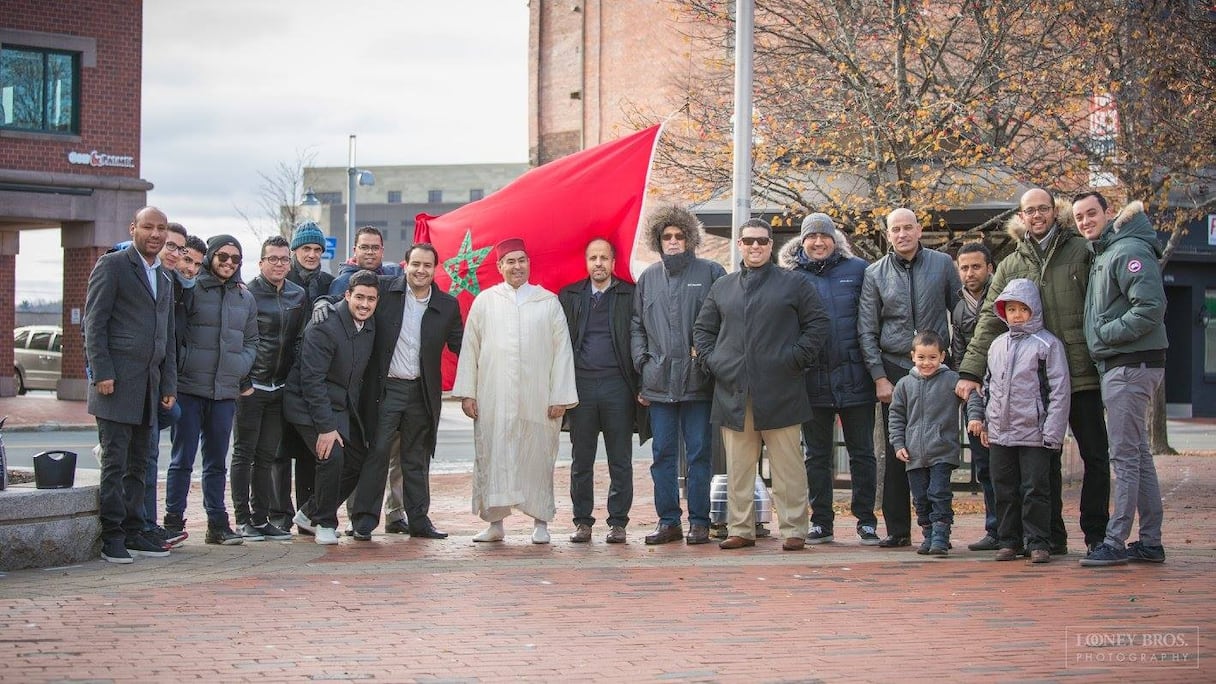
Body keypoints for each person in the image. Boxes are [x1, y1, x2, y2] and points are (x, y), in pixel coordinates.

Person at [956, 187, 1110, 556]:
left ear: (1055, 212)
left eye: (1044, 208)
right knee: (1044, 463)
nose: (1037, 215)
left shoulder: (1082, 250)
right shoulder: (1011, 263)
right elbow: (989, 321)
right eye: (1030, 210)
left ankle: (1097, 535)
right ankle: (1051, 537)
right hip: (1032, 381)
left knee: (1096, 456)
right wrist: (971, 371)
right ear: (1021, 216)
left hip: (1081, 371)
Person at [693, 219, 829, 551]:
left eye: (762, 241)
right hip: (733, 391)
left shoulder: (793, 283)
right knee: (739, 468)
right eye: (749, 241)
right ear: (739, 245)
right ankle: (741, 528)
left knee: (789, 467)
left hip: (782, 390)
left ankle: (794, 528)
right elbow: (702, 331)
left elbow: (818, 324)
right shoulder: (722, 287)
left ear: (771, 245)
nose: (756, 246)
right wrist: (716, 362)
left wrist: (794, 359)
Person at [452, 238, 578, 544]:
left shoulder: (547, 302)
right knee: (493, 456)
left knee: (537, 458)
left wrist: (560, 396)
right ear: (499, 267)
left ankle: (541, 522)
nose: (517, 266)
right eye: (510, 261)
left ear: (529, 264)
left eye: (521, 260)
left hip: (537, 398)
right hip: (493, 397)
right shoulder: (485, 301)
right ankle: (495, 524)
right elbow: (471, 348)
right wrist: (468, 392)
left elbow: (563, 351)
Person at [1074, 193, 1169, 567]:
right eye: (1079, 216)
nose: (1085, 221)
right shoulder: (1106, 252)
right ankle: (1150, 541)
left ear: (1108, 213)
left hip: (1129, 366)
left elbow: (1150, 307)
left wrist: (1104, 334)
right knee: (1139, 456)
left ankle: (1115, 541)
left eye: (1091, 213)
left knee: (1125, 457)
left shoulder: (1127, 250)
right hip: (1123, 366)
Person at [858, 208, 961, 548]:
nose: (902, 234)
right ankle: (899, 529)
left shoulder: (942, 264)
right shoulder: (875, 273)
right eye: (895, 229)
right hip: (896, 368)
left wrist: (957, 366)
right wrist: (879, 376)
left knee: (937, 442)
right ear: (887, 235)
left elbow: (958, 315)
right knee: (896, 447)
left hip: (938, 369)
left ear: (919, 230)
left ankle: (938, 528)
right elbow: (867, 329)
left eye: (907, 227)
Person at [84, 206, 177, 563]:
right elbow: (95, 323)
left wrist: (168, 383)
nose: (156, 234)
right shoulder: (113, 265)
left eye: (162, 229)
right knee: (115, 463)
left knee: (141, 463)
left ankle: (137, 530)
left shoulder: (165, 277)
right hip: (115, 385)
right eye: (149, 227)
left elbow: (167, 336)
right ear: (133, 228)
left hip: (150, 388)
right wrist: (102, 372)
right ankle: (113, 536)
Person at [351, 243, 463, 540]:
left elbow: (462, 345)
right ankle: (364, 520)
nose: (421, 270)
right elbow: (352, 296)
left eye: (427, 265)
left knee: (416, 458)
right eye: (416, 264)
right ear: (405, 265)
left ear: (434, 270)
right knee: (376, 453)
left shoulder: (447, 305)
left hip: (421, 393)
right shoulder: (385, 291)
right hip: (386, 389)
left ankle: (418, 520)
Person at [779, 213, 879, 546]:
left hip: (856, 376)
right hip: (812, 380)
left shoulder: (859, 270)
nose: (819, 242)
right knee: (816, 455)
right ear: (803, 241)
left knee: (862, 453)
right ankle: (822, 521)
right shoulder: (790, 276)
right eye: (812, 237)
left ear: (835, 239)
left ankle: (866, 520)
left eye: (825, 236)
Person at [631, 205, 726, 546]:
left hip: (699, 382)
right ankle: (668, 521)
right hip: (659, 384)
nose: (673, 241)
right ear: (658, 240)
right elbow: (637, 326)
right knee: (663, 455)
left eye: (679, 236)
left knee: (700, 453)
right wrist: (643, 363)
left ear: (690, 238)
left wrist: (709, 358)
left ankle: (700, 521)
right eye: (666, 236)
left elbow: (723, 321)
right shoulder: (648, 278)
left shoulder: (712, 272)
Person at [163, 235, 259, 546]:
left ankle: (218, 523)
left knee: (217, 461)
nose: (228, 263)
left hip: (224, 392)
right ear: (211, 257)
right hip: (190, 387)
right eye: (223, 256)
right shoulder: (191, 290)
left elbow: (252, 341)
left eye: (235, 258)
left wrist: (238, 366)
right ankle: (172, 520)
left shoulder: (245, 298)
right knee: (182, 460)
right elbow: (174, 334)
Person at [967, 279, 1071, 564]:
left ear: (1034, 309)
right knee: (1004, 489)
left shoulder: (1048, 345)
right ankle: (1009, 540)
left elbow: (1059, 391)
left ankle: (1038, 541)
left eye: (1021, 309)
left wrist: (1053, 431)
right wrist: (987, 423)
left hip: (1035, 433)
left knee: (1036, 488)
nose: (1016, 315)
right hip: (1001, 433)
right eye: (1010, 309)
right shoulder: (997, 345)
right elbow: (988, 388)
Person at [558, 238, 647, 544]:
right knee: (581, 459)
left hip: (617, 387)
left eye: (604, 258)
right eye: (593, 258)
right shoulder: (570, 296)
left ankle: (618, 522)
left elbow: (641, 337)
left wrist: (640, 383)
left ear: (613, 261)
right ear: (586, 262)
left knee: (619, 459)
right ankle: (582, 522)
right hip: (580, 387)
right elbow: (558, 345)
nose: (598, 263)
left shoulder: (629, 294)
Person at [285, 270, 379, 545]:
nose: (364, 304)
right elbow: (311, 381)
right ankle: (324, 522)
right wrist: (326, 428)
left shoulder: (369, 325)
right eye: (359, 297)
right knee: (332, 454)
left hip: (339, 405)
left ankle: (308, 513)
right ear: (347, 295)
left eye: (371, 299)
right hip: (306, 403)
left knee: (358, 457)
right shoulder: (324, 326)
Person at [229, 236, 308, 541]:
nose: (279, 264)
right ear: (261, 262)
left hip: (280, 388)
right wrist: (243, 382)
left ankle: (261, 518)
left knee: (267, 456)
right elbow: (237, 340)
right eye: (272, 259)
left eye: (284, 259)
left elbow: (301, 339)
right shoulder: (246, 293)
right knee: (243, 454)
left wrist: (293, 378)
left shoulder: (297, 295)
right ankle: (242, 518)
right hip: (251, 388)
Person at [271, 221, 337, 533]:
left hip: (314, 378)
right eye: (306, 248)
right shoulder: (284, 276)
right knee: (280, 452)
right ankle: (279, 514)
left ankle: (306, 515)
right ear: (295, 251)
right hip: (281, 374)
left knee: (312, 453)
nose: (311, 254)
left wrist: (327, 300)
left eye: (317, 249)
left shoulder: (328, 281)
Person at [889, 331, 978, 557]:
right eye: (921, 357)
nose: (926, 363)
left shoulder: (951, 380)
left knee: (939, 492)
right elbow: (896, 416)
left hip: (942, 450)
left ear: (942, 356)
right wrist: (898, 443)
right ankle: (928, 534)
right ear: (912, 356)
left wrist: (976, 417)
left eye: (932, 358)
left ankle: (941, 534)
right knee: (920, 496)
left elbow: (972, 394)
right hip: (914, 453)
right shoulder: (904, 384)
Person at [952, 242, 999, 551]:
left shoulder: (1003, 300)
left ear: (990, 268)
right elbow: (958, 355)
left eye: (976, 266)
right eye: (964, 268)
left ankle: (1018, 529)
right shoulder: (958, 308)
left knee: (1006, 466)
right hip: (975, 396)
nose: (970, 273)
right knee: (983, 466)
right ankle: (994, 529)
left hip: (1005, 393)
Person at [329, 226, 401, 297]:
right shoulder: (341, 283)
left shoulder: (394, 277)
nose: (370, 252)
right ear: (355, 251)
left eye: (375, 248)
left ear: (382, 251)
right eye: (364, 247)